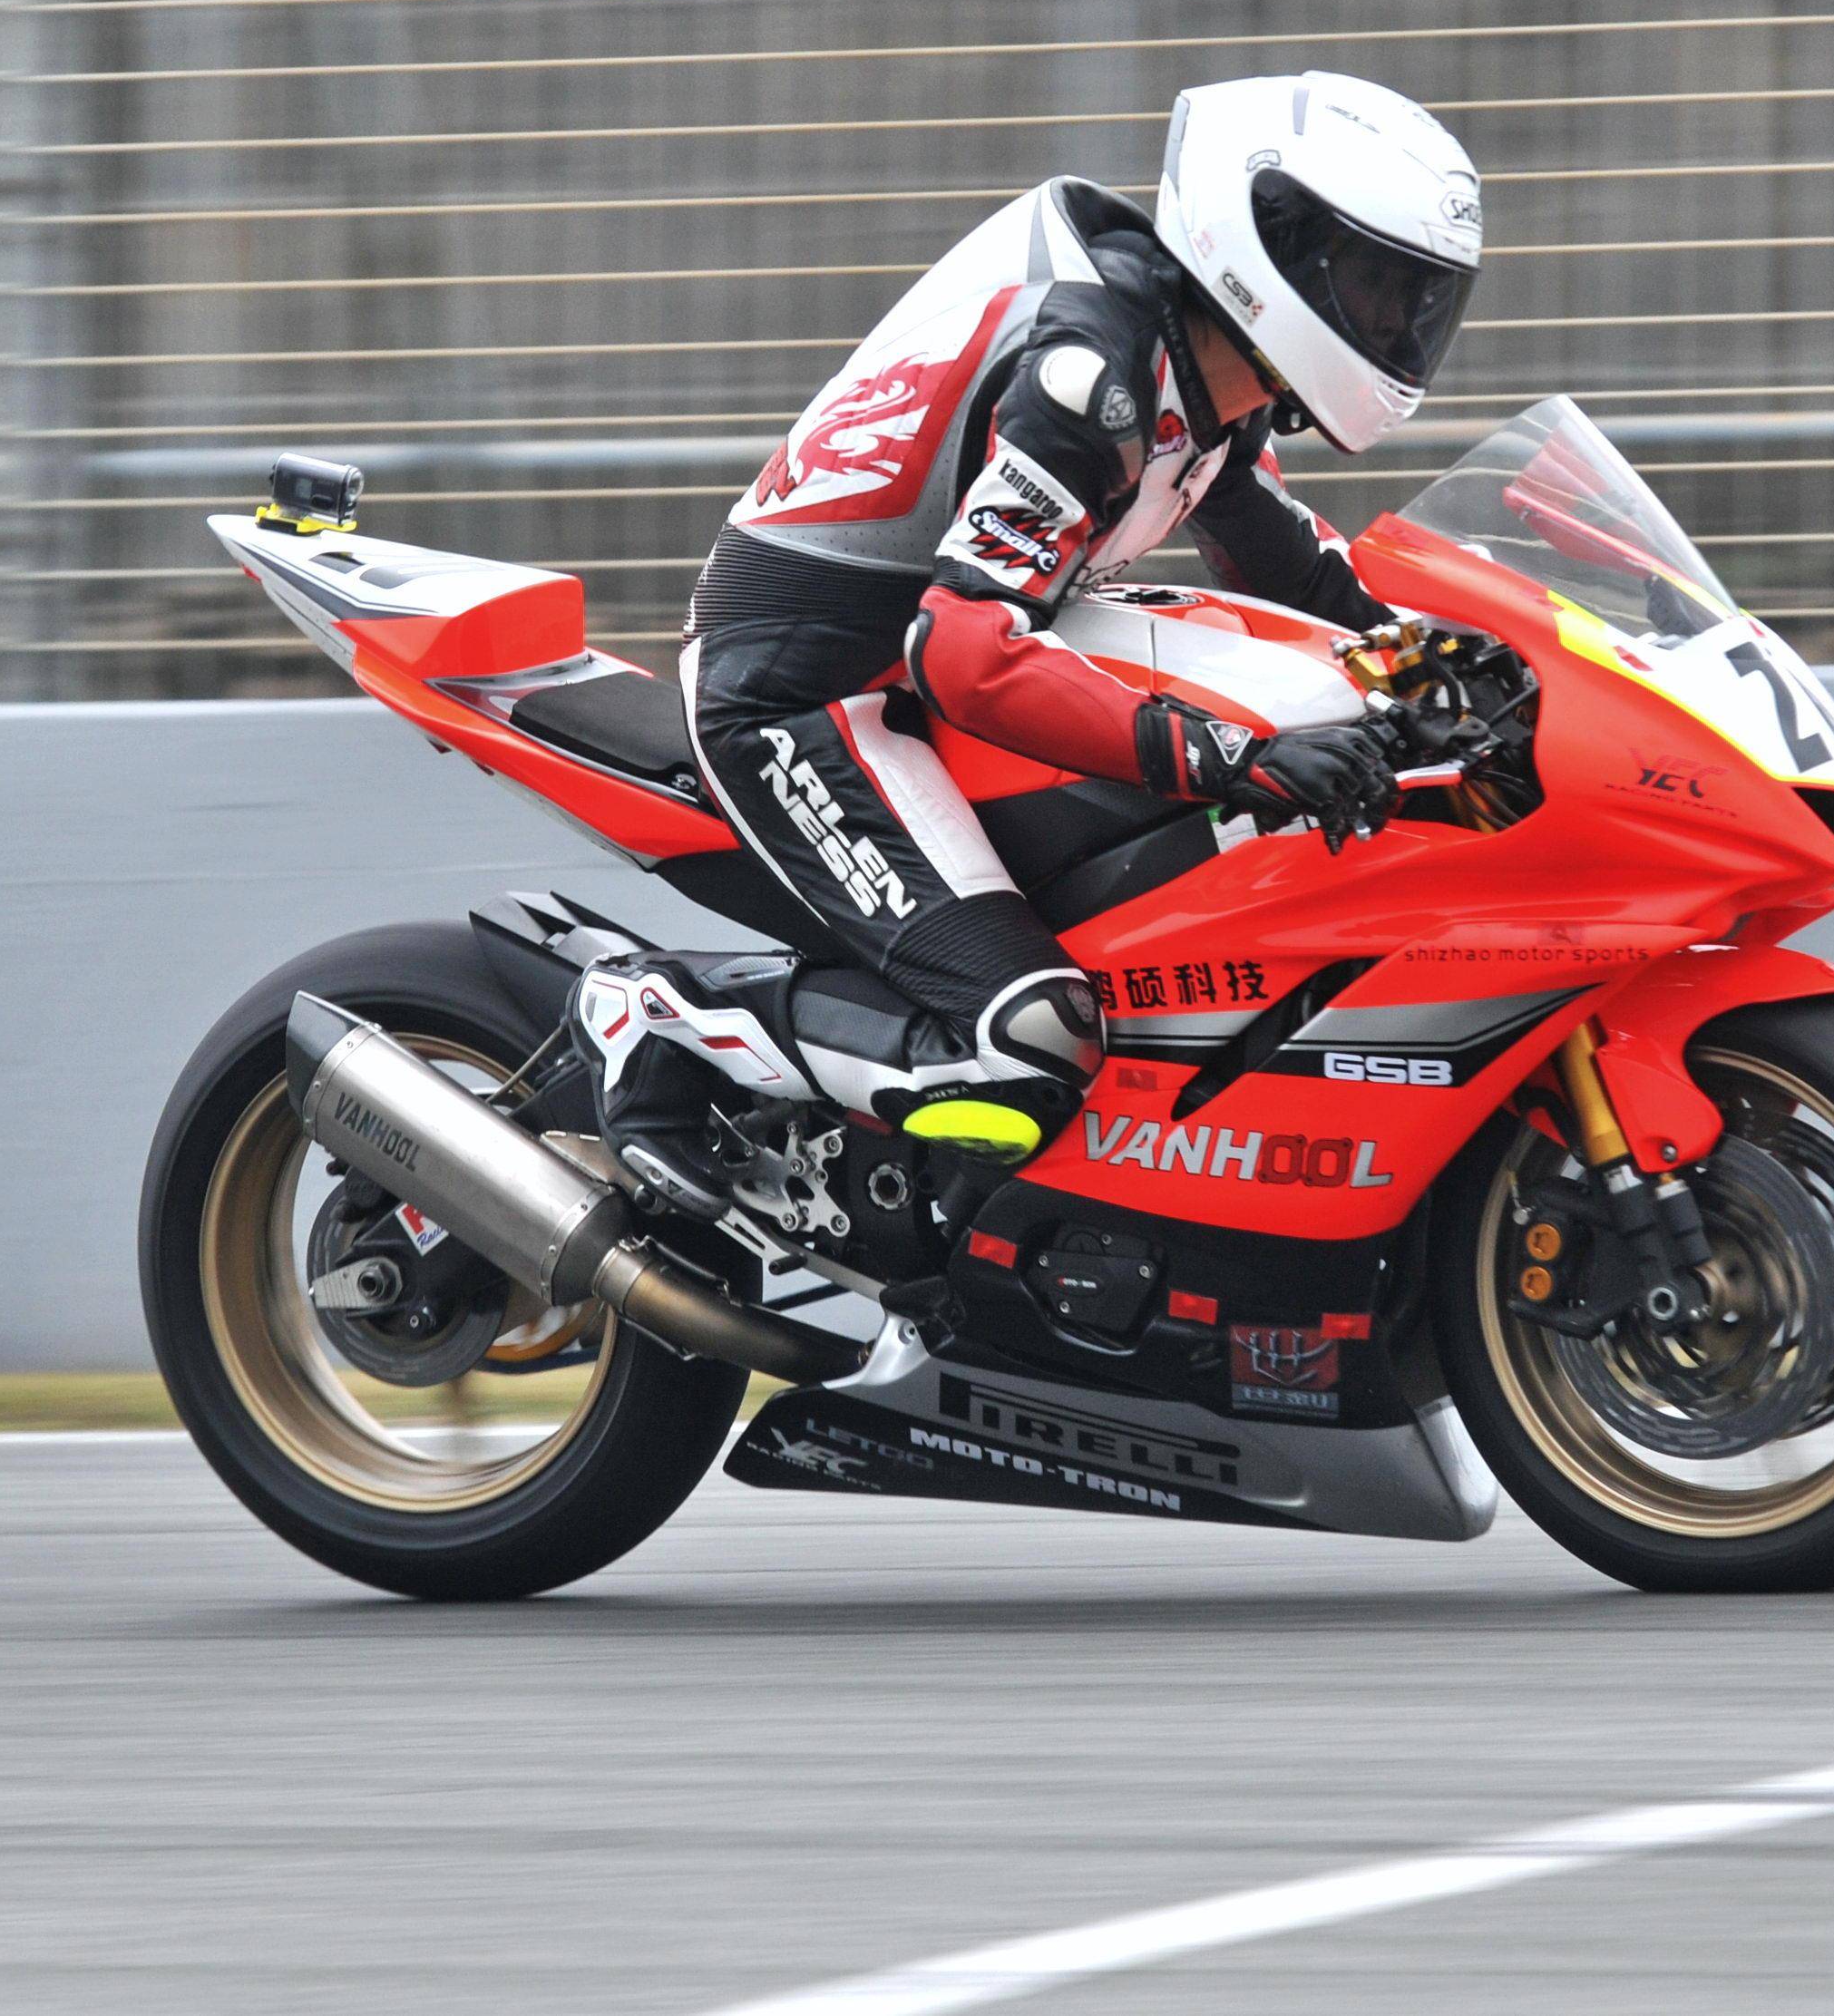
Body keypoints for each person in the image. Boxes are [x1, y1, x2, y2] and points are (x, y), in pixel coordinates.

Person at [589, 72, 1484, 1209]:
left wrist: (1454, 663)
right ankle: (659, 1020)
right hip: (807, 694)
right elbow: (963, 651)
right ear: (1268, 246)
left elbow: (1297, 570)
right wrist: (1236, 756)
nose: (1396, 326)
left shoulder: (1209, 377)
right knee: (1030, 1040)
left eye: (1418, 300)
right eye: (1373, 284)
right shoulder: (1091, 372)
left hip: (943, 674)